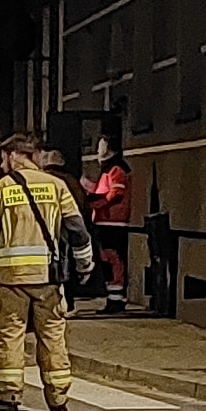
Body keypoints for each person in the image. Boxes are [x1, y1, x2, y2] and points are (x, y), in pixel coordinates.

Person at [0, 134, 94, 411]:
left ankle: (7, 397)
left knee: (9, 336)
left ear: (15, 156)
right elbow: (76, 229)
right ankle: (57, 398)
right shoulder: (57, 186)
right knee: (53, 335)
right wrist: (85, 265)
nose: (2, 164)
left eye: (4, 157)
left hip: (11, 279)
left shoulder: (1, 189)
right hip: (48, 278)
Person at [38, 148, 96, 315]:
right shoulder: (71, 181)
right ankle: (68, 302)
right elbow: (82, 206)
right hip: (70, 228)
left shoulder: (48, 180)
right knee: (67, 264)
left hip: (53, 230)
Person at [82, 135, 131, 315]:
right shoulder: (109, 170)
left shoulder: (116, 170)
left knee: (113, 259)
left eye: (100, 147)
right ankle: (113, 298)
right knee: (107, 259)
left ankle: (116, 300)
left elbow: (115, 194)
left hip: (113, 222)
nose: (97, 152)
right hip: (105, 220)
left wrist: (94, 203)